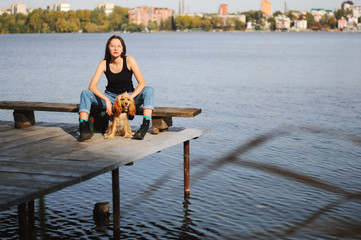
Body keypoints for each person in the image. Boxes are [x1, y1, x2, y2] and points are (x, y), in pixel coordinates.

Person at [78, 35, 154, 141]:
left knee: (149, 90)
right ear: (108, 48)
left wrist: (129, 98)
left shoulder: (129, 60)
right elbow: (92, 86)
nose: (116, 49)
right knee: (85, 93)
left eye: (119, 46)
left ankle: (144, 126)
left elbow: (142, 83)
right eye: (112, 46)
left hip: (129, 96)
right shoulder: (104, 63)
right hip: (111, 98)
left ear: (123, 49)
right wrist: (106, 99)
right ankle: (84, 128)